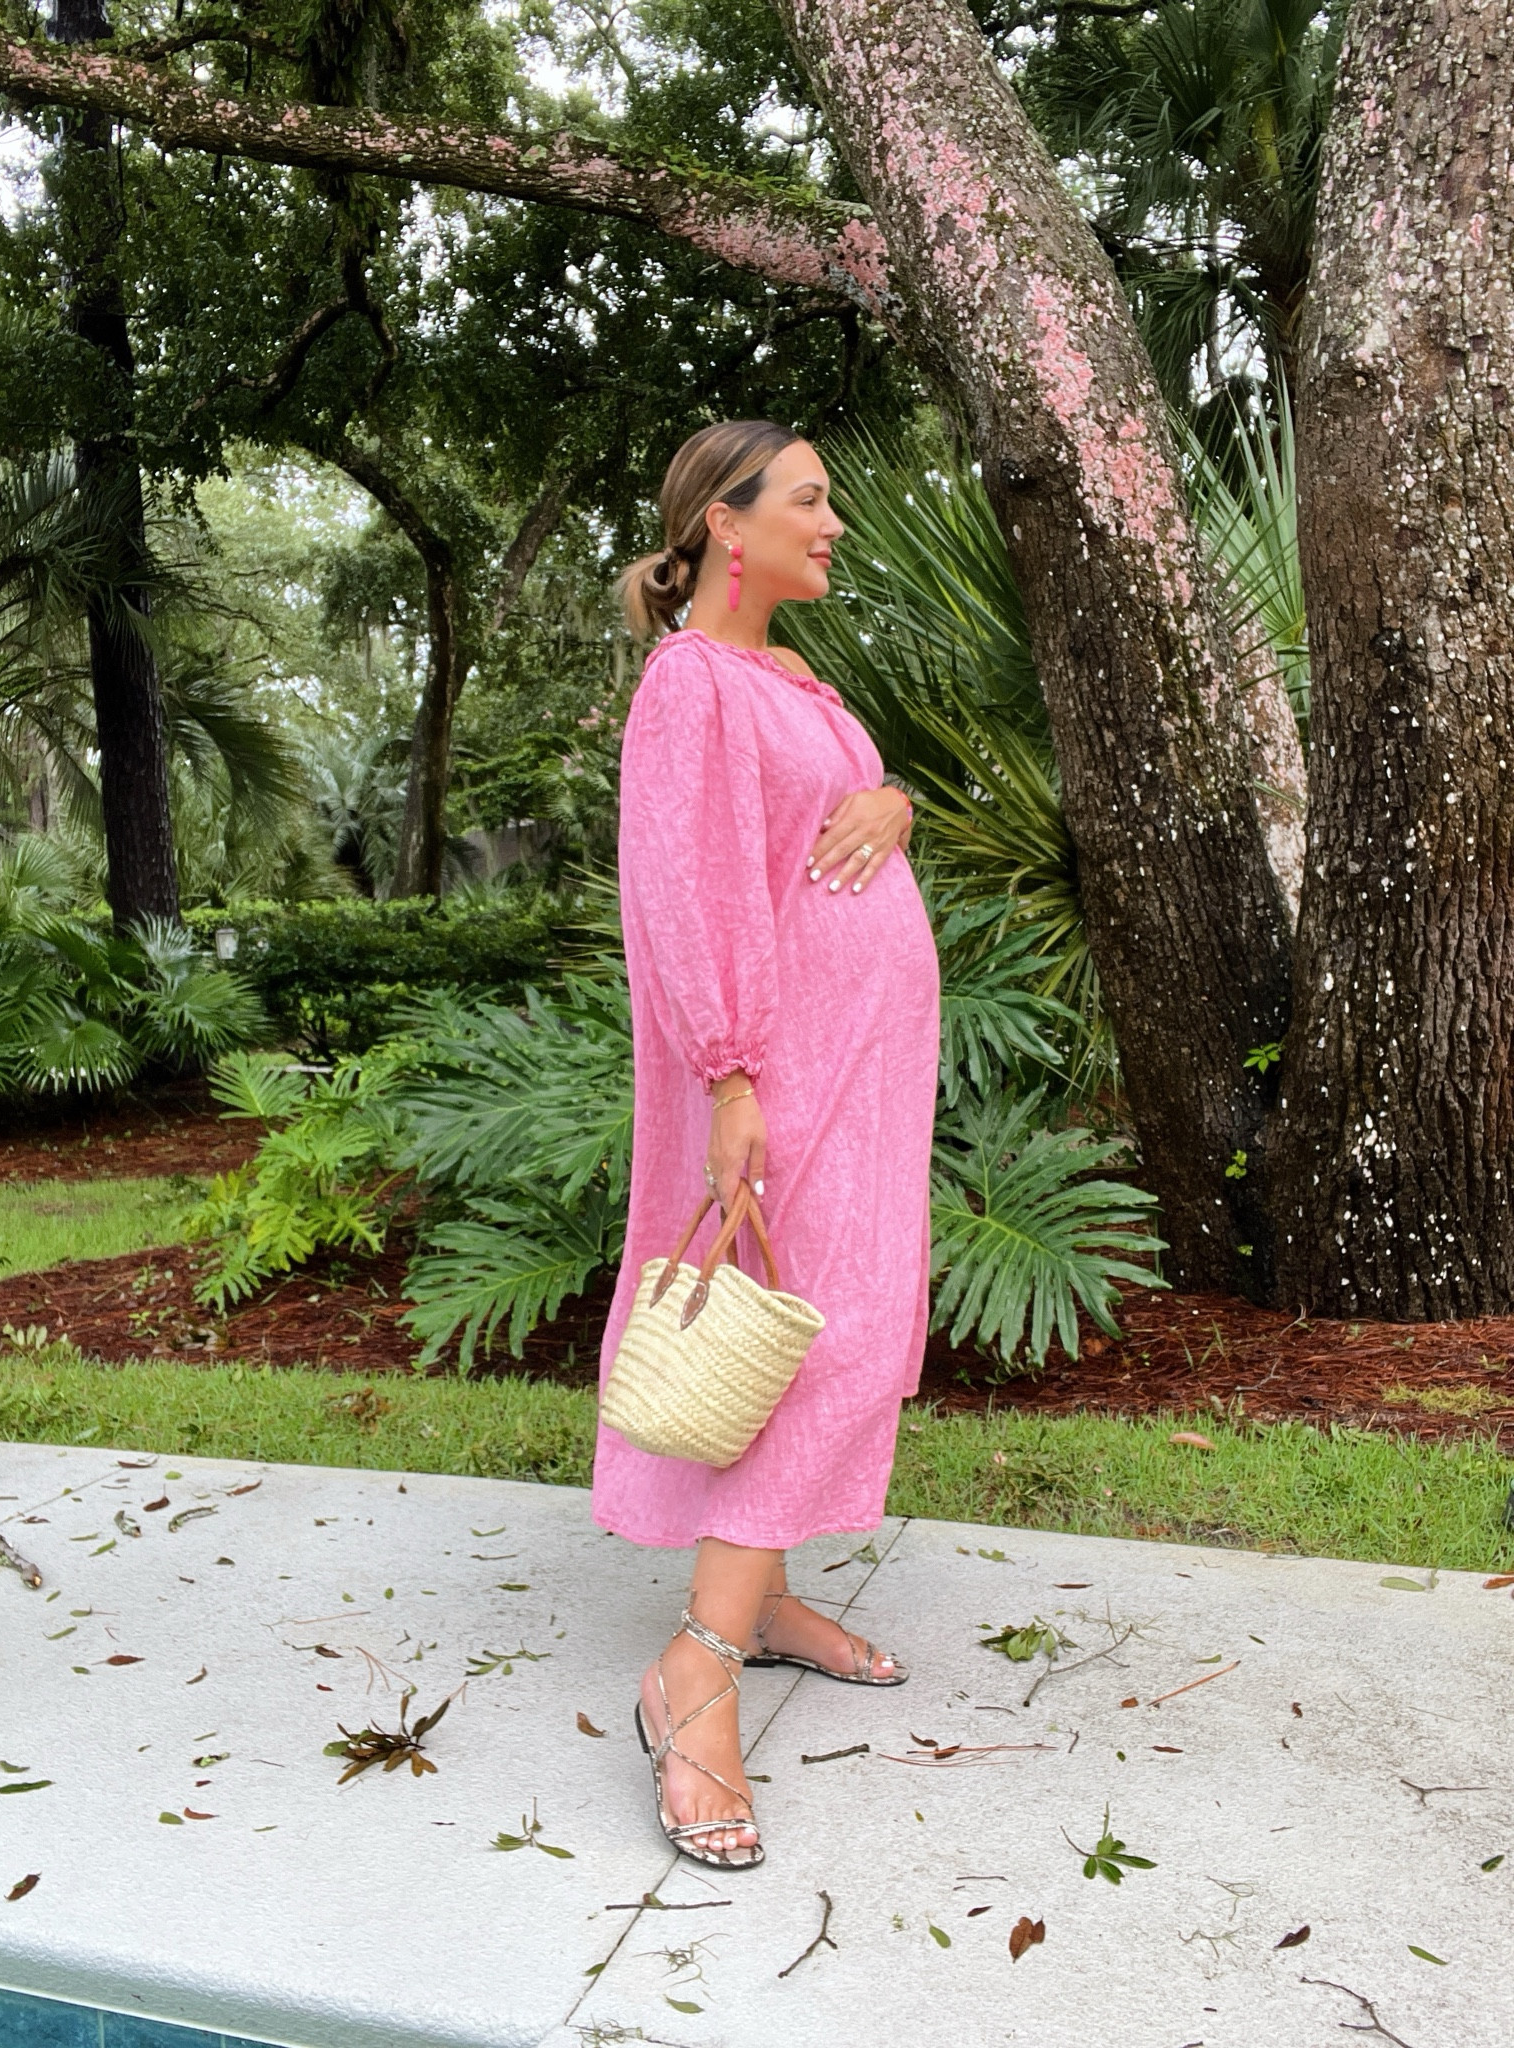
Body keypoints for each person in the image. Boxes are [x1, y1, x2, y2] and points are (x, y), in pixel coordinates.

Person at [595, 420, 941, 1868]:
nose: (835, 523)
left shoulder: (799, 677)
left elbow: (848, 822)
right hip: (779, 1070)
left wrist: (897, 799)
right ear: (727, 526)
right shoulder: (690, 686)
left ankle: (771, 1592)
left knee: (848, 1324)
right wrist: (732, 1075)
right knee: (806, 1335)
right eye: (811, 499)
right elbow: (688, 887)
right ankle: (697, 1674)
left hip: (866, 1070)